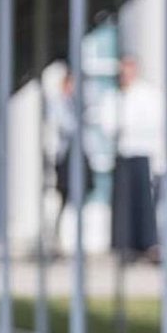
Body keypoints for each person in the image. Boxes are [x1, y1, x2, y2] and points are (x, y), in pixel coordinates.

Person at [106, 55, 163, 261]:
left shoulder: (147, 94)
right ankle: (124, 245)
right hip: (123, 154)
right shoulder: (114, 96)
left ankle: (146, 244)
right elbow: (108, 125)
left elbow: (152, 123)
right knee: (123, 204)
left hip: (142, 153)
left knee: (144, 202)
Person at [51, 68, 95, 252]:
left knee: (82, 197)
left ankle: (79, 237)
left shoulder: (83, 103)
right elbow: (65, 125)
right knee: (64, 196)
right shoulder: (59, 103)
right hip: (66, 157)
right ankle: (58, 238)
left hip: (82, 155)